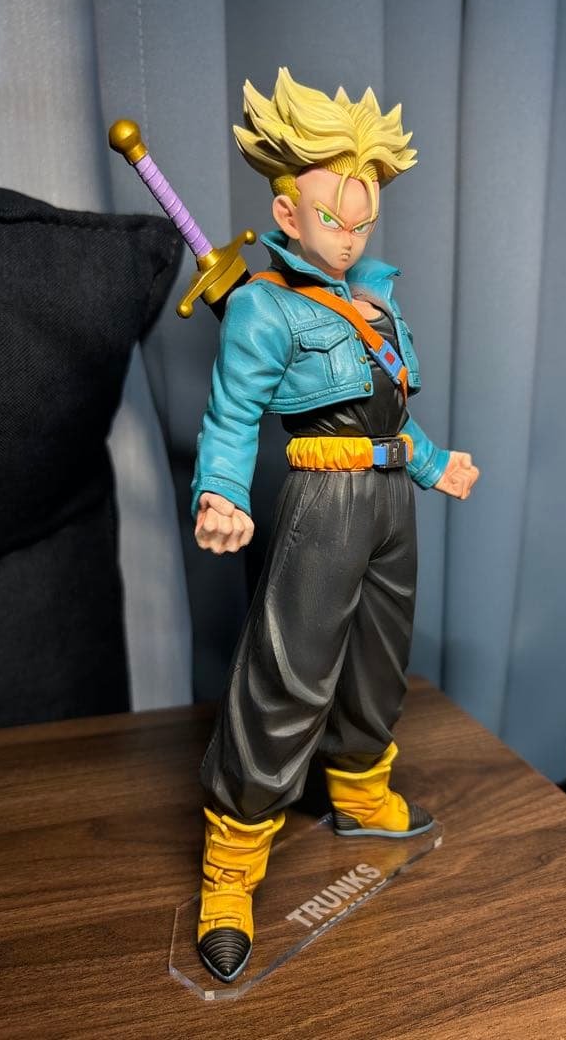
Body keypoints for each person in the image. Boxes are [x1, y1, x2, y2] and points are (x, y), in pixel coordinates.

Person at [191, 68, 480, 982]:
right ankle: (232, 862)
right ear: (286, 214)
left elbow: (391, 413)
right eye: (331, 221)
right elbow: (232, 415)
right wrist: (222, 492)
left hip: (392, 502)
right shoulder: (262, 306)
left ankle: (359, 793)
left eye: (362, 222)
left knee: (379, 657)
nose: (350, 237)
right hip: (323, 502)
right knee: (289, 673)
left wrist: (434, 463)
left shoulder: (378, 298)